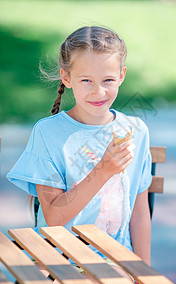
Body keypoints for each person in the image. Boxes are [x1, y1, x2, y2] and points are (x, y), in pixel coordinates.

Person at [7, 26, 152, 268]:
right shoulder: (48, 133)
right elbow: (53, 218)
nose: (99, 91)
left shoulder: (136, 131)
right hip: (58, 261)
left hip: (116, 262)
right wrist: (103, 171)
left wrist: (144, 274)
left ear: (122, 75)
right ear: (67, 78)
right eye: (86, 80)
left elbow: (139, 214)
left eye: (108, 80)